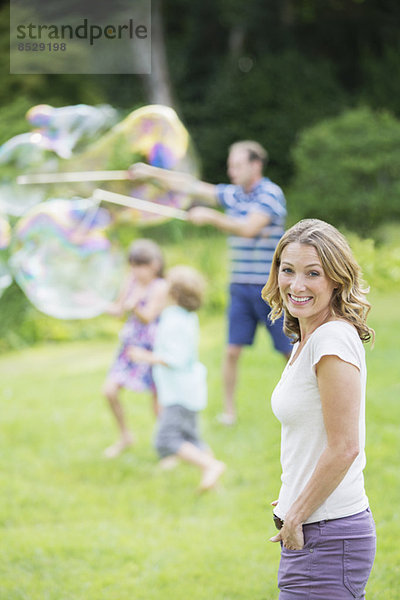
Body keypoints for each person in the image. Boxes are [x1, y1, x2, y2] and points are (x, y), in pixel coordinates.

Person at [129, 140, 292, 425]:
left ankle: (307, 401)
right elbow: (192, 186)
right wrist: (151, 174)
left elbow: (249, 228)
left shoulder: (269, 193)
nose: (231, 171)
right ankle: (229, 412)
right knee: (231, 351)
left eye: (237, 165)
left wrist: (210, 217)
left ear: (255, 165)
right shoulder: (234, 195)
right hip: (240, 286)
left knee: (288, 351)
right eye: (230, 165)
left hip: (270, 288)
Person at [261, 219, 376, 599]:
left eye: (313, 273)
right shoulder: (306, 338)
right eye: (287, 269)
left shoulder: (330, 342)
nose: (296, 285)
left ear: (336, 279)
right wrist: (297, 486)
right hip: (321, 528)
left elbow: (345, 446)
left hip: (328, 535)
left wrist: (296, 513)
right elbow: (316, 432)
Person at [129, 265, 226, 492]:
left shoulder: (172, 319)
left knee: (166, 439)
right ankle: (214, 483)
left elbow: (176, 358)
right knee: (193, 439)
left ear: (172, 294)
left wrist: (144, 356)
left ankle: (211, 466)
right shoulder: (186, 316)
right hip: (190, 389)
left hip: (179, 393)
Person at [102, 239, 168, 459]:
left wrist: (135, 308)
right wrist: (97, 304)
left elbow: (148, 316)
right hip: (129, 347)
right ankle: (125, 437)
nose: (136, 270)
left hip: (151, 350)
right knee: (109, 391)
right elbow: (118, 310)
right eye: (133, 265)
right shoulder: (130, 281)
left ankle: (170, 446)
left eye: (141, 265)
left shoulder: (160, 286)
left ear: (155, 265)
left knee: (158, 405)